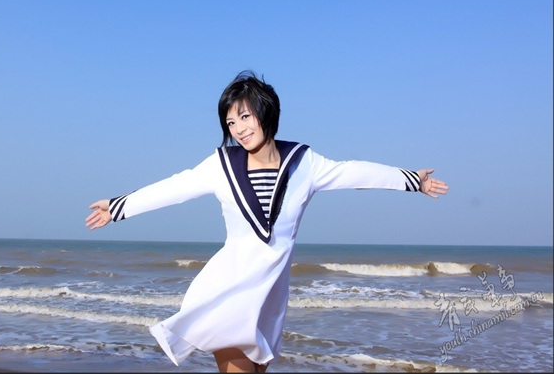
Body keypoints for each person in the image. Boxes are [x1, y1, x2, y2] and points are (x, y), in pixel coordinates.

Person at [85, 70, 449, 373]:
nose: (239, 128)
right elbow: (174, 188)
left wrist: (411, 180)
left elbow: (353, 172)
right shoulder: (221, 165)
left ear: (266, 111)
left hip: (269, 298)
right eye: (231, 122)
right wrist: (118, 207)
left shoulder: (304, 162)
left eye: (245, 117)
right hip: (228, 292)